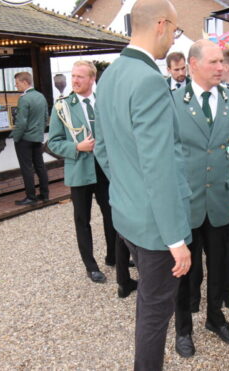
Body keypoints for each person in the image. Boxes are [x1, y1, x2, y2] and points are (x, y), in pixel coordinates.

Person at [93, 0, 192, 371]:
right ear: (161, 25)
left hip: (128, 214)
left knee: (150, 305)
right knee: (155, 313)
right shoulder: (149, 80)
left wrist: (127, 188)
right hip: (155, 225)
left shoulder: (111, 74)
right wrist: (175, 238)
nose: (174, 39)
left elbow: (103, 148)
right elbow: (160, 166)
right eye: (175, 30)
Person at [172, 39, 229, 358]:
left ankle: (215, 318)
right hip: (185, 202)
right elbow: (166, 156)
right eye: (214, 62)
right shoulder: (173, 102)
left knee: (219, 266)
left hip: (221, 200)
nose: (222, 67)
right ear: (193, 64)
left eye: (222, 62)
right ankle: (183, 328)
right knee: (183, 271)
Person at [47, 61, 135, 292]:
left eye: (80, 77)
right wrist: (77, 147)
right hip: (79, 169)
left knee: (112, 215)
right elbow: (53, 142)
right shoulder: (62, 107)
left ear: (92, 79)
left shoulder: (102, 102)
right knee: (82, 220)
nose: (75, 80)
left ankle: (113, 257)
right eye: (73, 76)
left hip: (105, 169)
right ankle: (91, 266)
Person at [10, 71, 49, 206]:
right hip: (37, 137)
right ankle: (45, 194)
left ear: (25, 82)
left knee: (26, 168)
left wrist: (16, 137)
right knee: (40, 166)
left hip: (25, 138)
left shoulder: (24, 99)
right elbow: (45, 117)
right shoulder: (41, 96)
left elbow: (21, 122)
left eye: (17, 83)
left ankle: (31, 197)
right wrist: (39, 132)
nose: (16, 86)